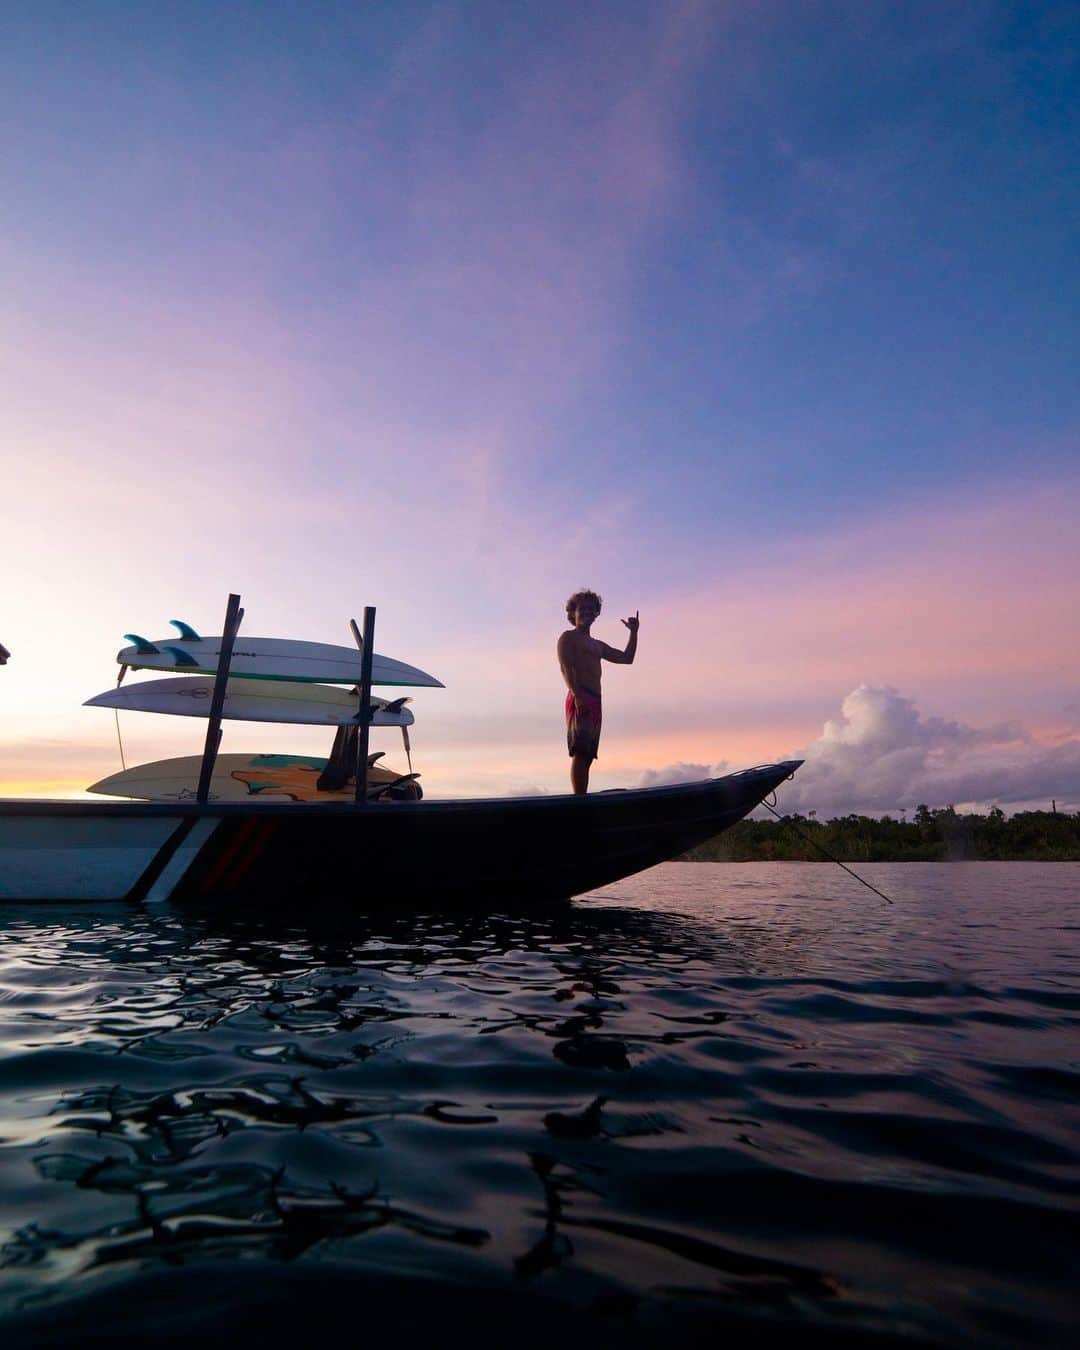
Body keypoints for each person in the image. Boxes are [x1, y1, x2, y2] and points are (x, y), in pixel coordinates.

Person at [557, 589, 639, 794]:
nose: (586, 612)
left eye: (591, 609)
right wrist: (577, 696)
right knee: (580, 751)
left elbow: (627, 658)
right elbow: (566, 668)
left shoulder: (597, 645)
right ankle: (579, 800)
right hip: (579, 695)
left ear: (596, 614)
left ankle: (582, 796)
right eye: (582, 608)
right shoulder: (568, 638)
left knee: (589, 753)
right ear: (572, 613)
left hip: (595, 700)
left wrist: (633, 632)